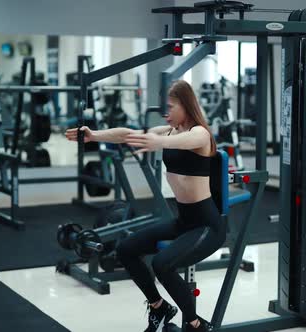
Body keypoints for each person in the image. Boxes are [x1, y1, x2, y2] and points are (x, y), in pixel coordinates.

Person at [66, 80, 226, 332]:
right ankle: (159, 306)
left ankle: (195, 324)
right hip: (183, 221)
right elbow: (127, 134)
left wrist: (157, 141)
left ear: (186, 105)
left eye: (171, 107)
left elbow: (182, 142)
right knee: (125, 249)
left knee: (162, 264)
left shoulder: (200, 134)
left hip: (208, 225)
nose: (166, 112)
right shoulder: (168, 131)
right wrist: (94, 135)